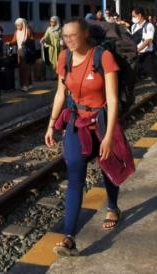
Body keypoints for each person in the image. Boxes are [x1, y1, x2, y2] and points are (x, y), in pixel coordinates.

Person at [46, 18, 135, 256]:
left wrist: (108, 136)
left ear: (85, 35)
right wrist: (51, 124)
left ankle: (113, 207)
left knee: (107, 166)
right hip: (77, 122)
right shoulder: (64, 58)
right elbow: (60, 93)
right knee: (75, 174)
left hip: (102, 121)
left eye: (73, 36)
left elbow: (113, 99)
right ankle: (68, 237)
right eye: (65, 37)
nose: (69, 41)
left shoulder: (102, 57)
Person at [131, 7, 157, 104]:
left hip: (147, 55)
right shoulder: (134, 27)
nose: (133, 18)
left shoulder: (149, 26)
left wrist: (137, 50)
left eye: (134, 16)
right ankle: (129, 99)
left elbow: (148, 41)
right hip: (137, 56)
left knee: (154, 76)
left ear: (140, 15)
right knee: (132, 76)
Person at [11, 18, 34, 92]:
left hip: (27, 52)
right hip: (20, 52)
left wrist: (26, 42)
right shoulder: (16, 32)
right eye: (16, 25)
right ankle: (28, 84)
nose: (17, 26)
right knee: (22, 69)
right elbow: (14, 40)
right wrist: (10, 43)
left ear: (23, 24)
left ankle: (25, 85)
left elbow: (32, 40)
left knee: (25, 69)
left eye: (19, 25)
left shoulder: (28, 30)